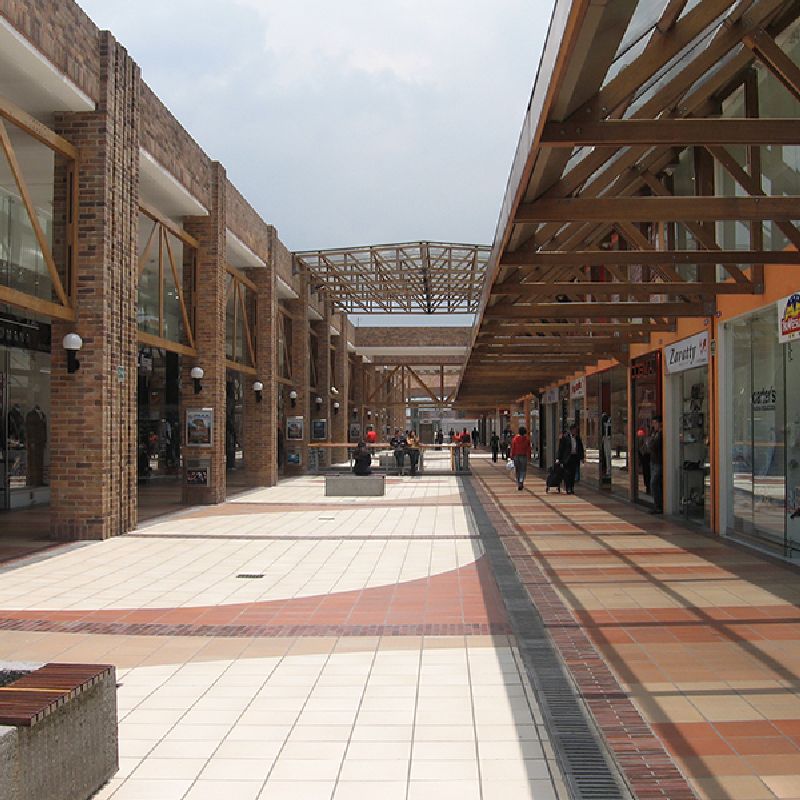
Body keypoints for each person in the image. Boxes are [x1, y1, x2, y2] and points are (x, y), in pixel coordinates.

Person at [557, 423, 585, 495]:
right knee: (567, 474)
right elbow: (561, 449)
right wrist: (558, 459)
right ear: (571, 430)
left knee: (573, 474)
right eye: (574, 430)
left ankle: (572, 487)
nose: (575, 431)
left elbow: (580, 448)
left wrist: (582, 458)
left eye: (576, 430)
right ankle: (568, 488)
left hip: (574, 457)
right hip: (567, 458)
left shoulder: (578, 438)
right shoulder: (565, 437)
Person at [649, 415, 663, 514]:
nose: (653, 425)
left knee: (654, 483)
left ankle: (658, 506)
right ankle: (657, 505)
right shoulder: (655, 433)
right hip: (653, 461)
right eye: (653, 423)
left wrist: (650, 443)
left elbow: (653, 445)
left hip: (658, 462)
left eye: (655, 423)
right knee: (655, 483)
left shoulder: (661, 434)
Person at [510, 426, 532, 491]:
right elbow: (528, 449)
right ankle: (521, 482)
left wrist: (512, 456)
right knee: (523, 470)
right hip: (523, 456)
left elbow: (513, 448)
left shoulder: (515, 439)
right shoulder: (527, 439)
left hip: (516, 456)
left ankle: (518, 482)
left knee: (517, 470)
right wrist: (529, 457)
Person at [636, 425, 651, 495]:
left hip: (650, 457)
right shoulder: (642, 438)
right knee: (646, 472)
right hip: (645, 457)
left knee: (649, 473)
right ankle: (648, 487)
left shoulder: (651, 437)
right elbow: (639, 447)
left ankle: (650, 487)